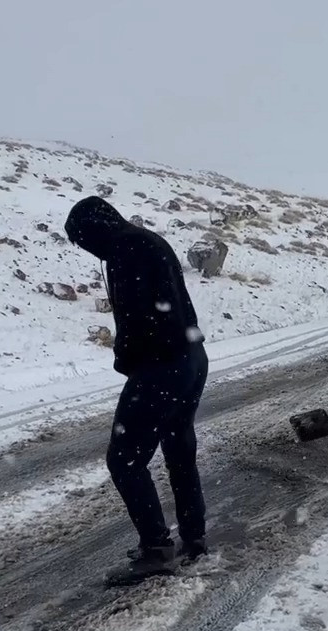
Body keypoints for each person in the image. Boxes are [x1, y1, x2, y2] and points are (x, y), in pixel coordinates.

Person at [65, 196, 210, 586]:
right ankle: (193, 536)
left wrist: (126, 360)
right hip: (191, 356)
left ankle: (156, 550)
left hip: (161, 365)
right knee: (178, 446)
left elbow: (135, 317)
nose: (86, 248)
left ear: (93, 230)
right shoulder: (149, 240)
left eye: (82, 241)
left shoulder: (123, 250)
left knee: (124, 458)